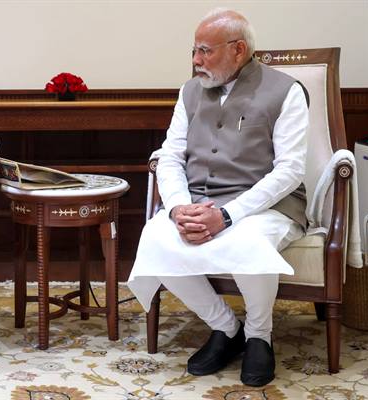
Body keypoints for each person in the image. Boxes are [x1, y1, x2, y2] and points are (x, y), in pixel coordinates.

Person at [127, 8, 308, 387]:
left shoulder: (286, 91)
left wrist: (226, 216)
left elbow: (290, 170)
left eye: (205, 51)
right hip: (198, 201)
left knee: (249, 241)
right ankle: (226, 328)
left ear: (238, 49)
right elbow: (170, 156)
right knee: (157, 238)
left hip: (265, 206)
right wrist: (178, 208)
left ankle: (259, 335)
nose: (196, 60)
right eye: (194, 50)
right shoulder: (189, 91)